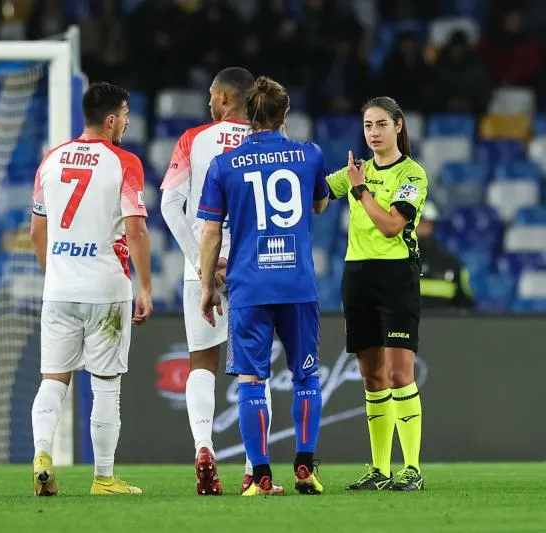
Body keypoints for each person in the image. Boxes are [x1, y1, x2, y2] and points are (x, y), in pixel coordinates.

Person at [198, 76, 330, 496]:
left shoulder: (224, 165)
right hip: (297, 284)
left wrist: (206, 287)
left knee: (252, 382)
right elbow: (319, 203)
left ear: (247, 116)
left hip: (249, 286)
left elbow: (210, 235)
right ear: (284, 115)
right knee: (306, 377)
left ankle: (261, 474)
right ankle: (306, 467)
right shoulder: (309, 155)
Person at [29, 82, 153, 496]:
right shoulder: (125, 163)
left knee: (52, 379)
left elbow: (36, 232)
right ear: (112, 119)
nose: (129, 121)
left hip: (59, 288)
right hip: (106, 288)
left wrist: (56, 274)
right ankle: (103, 477)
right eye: (126, 114)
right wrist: (147, 287)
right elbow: (135, 229)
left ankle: (42, 453)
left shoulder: (50, 160)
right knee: (105, 383)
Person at [160, 66, 259, 496]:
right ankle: (257, 468)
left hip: (199, 265)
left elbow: (169, 205)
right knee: (253, 371)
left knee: (202, 361)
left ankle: (204, 448)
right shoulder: (266, 140)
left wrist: (200, 261)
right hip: (253, 267)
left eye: (211, 96)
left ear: (222, 97)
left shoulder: (192, 140)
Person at [326, 96, 428, 491]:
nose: (373, 133)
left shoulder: (413, 174)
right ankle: (380, 469)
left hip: (396, 276)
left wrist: (358, 190)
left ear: (399, 126)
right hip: (358, 275)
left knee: (401, 373)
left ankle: (412, 468)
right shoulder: (357, 171)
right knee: (371, 377)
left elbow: (390, 225)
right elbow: (318, 197)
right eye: (368, 126)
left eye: (381, 124)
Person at [417, 203, 475, 310]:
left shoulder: (451, 262)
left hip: (442, 324)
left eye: (426, 223)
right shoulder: (395, 259)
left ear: (433, 226)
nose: (422, 227)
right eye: (419, 222)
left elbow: (466, 303)